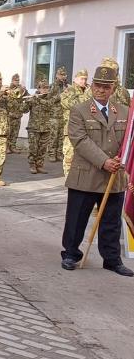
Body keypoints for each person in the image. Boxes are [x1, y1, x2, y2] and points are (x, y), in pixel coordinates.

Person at [60, 65, 134, 277]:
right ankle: (71, 254)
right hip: (86, 175)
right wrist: (104, 161)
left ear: (113, 88)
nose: (100, 90)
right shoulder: (79, 110)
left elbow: (129, 140)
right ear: (91, 85)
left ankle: (112, 260)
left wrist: (122, 158)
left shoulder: (124, 111)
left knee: (111, 222)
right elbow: (80, 140)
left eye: (105, 87)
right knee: (76, 219)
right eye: (97, 85)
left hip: (114, 176)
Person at [61, 69, 91, 176]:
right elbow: (70, 105)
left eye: (85, 79)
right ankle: (68, 178)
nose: (84, 81)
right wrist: (86, 96)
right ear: (75, 79)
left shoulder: (88, 91)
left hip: (85, 129)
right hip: (71, 129)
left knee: (83, 156)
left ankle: (79, 178)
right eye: (82, 79)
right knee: (69, 155)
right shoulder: (69, 91)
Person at [24, 78, 55, 174]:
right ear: (38, 88)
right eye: (43, 88)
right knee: (33, 147)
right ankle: (32, 165)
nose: (45, 90)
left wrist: (39, 99)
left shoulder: (50, 97)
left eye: (47, 88)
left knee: (42, 148)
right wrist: (27, 100)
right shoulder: (33, 98)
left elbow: (49, 106)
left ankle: (40, 165)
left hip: (45, 127)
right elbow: (24, 110)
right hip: (34, 128)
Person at [47, 66, 68, 162]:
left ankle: (59, 153)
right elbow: (48, 100)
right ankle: (51, 153)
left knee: (61, 136)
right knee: (53, 136)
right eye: (61, 75)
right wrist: (59, 96)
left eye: (64, 75)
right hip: (54, 115)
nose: (63, 77)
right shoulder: (52, 86)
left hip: (63, 114)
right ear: (57, 75)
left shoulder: (66, 86)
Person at [7, 74, 29, 153]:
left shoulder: (21, 89)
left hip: (17, 114)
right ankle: (7, 147)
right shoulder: (8, 89)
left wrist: (25, 90)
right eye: (16, 80)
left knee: (15, 132)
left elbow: (28, 97)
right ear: (12, 80)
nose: (17, 82)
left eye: (18, 80)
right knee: (8, 132)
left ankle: (13, 146)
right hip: (9, 114)